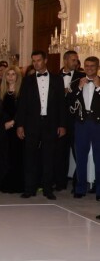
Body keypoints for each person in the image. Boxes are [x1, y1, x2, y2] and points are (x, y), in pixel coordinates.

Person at [15, 50, 66, 200]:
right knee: (30, 156)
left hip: (50, 123)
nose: (36, 63)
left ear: (45, 60)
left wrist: (62, 124)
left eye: (38, 60)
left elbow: (61, 105)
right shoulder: (28, 80)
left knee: (49, 157)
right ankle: (29, 189)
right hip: (32, 124)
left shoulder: (57, 79)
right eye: (34, 61)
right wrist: (20, 125)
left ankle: (48, 189)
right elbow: (22, 105)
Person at [68, 56, 100, 200]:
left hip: (97, 124)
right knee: (80, 157)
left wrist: (99, 88)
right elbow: (68, 104)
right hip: (81, 123)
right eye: (87, 66)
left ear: (97, 67)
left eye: (92, 66)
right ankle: (80, 188)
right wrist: (79, 88)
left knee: (99, 158)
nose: (89, 68)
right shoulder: (76, 83)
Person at [56, 50, 84, 192]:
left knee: (78, 153)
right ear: (65, 60)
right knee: (60, 153)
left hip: (76, 122)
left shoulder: (82, 77)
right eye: (73, 60)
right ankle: (60, 183)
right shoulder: (55, 77)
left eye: (76, 60)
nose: (76, 62)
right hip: (59, 121)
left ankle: (78, 184)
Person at [0, 66, 24, 193]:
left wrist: (13, 122)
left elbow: (24, 110)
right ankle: (5, 182)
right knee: (6, 155)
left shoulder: (22, 91)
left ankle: (18, 184)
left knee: (17, 156)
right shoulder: (1, 91)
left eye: (13, 74)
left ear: (17, 77)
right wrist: (3, 124)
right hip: (4, 128)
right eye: (8, 74)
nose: (11, 76)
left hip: (18, 127)